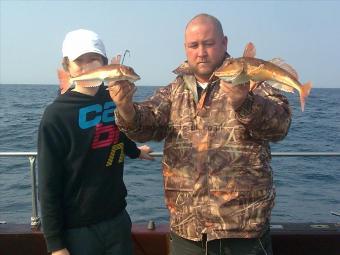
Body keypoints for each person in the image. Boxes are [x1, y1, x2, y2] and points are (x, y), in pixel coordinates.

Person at [109, 13, 292, 255]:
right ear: (185, 48)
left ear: (224, 43)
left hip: (243, 232)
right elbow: (147, 125)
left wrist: (244, 102)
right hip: (187, 231)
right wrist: (126, 109)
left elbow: (280, 126)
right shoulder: (174, 90)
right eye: (193, 46)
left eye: (208, 43)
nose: (201, 52)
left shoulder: (253, 81)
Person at [37, 29, 153, 255]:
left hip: (117, 216)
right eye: (79, 61)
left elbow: (117, 131)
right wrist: (55, 244)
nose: (88, 66)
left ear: (104, 64)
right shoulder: (56, 115)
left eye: (94, 59)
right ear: (67, 67)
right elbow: (48, 182)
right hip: (78, 229)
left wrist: (135, 152)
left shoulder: (114, 99)